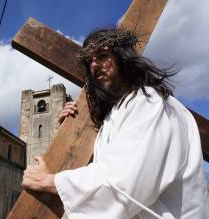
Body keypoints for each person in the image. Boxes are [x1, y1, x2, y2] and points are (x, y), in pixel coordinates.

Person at [22, 27, 209, 219]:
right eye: (89, 61)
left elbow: (122, 183)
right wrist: (68, 133)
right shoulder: (116, 114)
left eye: (103, 55)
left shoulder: (149, 102)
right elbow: (107, 167)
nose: (94, 65)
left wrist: (50, 181)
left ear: (124, 57)